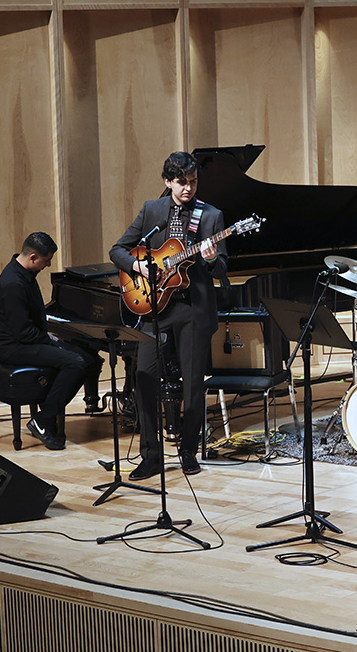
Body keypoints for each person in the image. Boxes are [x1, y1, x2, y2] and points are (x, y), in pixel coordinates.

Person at [110, 151, 227, 479]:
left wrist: (210, 257)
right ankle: (151, 456)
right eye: (181, 182)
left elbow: (222, 268)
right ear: (167, 181)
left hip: (192, 308)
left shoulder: (211, 216)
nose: (188, 188)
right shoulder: (152, 210)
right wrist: (138, 267)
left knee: (192, 385)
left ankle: (188, 450)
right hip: (154, 308)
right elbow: (118, 249)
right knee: (143, 376)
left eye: (192, 182)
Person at [0, 232, 102, 450]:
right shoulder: (13, 283)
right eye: (46, 260)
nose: (48, 264)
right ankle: (44, 420)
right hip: (15, 347)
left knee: (90, 359)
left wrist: (51, 337)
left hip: (31, 340)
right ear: (33, 257)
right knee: (75, 362)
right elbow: (22, 332)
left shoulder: (24, 273)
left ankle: (49, 407)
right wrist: (53, 342)